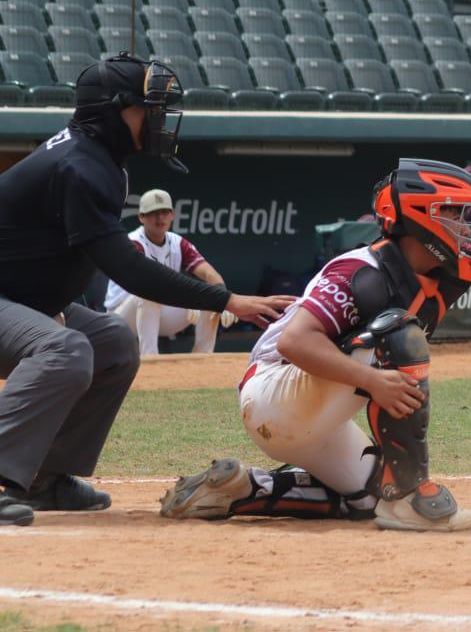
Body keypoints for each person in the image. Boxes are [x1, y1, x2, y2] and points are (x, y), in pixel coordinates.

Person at [160, 158, 471, 532]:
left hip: (310, 411)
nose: (464, 225)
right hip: (273, 394)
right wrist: (373, 380)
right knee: (398, 330)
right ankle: (410, 496)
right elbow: (294, 342)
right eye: (453, 214)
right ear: (421, 218)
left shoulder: (447, 264)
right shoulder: (358, 271)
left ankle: (241, 488)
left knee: (362, 496)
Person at [0, 53, 292, 527]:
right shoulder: (80, 163)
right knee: (66, 349)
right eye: (147, 107)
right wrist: (226, 299)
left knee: (113, 343)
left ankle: (44, 478)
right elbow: (127, 269)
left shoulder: (98, 159)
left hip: (17, 301)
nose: (158, 118)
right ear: (115, 111)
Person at [104, 188, 237, 357]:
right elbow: (145, 284)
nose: (160, 218)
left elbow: (211, 275)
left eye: (164, 212)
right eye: (153, 213)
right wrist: (188, 298)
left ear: (172, 215)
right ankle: (149, 360)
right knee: (148, 295)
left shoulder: (177, 243)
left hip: (160, 312)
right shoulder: (132, 243)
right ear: (141, 217)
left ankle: (202, 359)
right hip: (122, 316)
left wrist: (223, 299)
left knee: (212, 294)